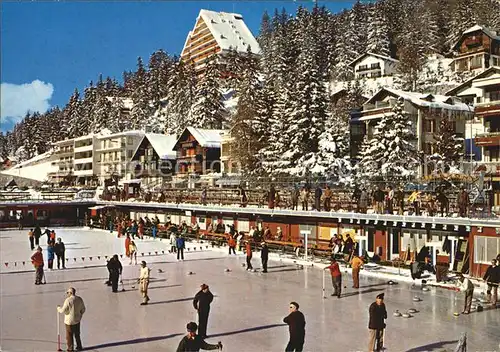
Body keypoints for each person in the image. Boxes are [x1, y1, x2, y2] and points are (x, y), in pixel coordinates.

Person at [57, 287, 86, 352]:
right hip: (77, 320)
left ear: (70, 293)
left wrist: (58, 309)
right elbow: (83, 309)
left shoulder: (68, 300)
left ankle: (70, 348)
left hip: (69, 321)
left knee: (69, 335)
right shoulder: (79, 299)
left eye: (68, 293)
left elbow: (63, 310)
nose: (67, 294)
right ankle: (79, 346)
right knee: (77, 334)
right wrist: (80, 315)